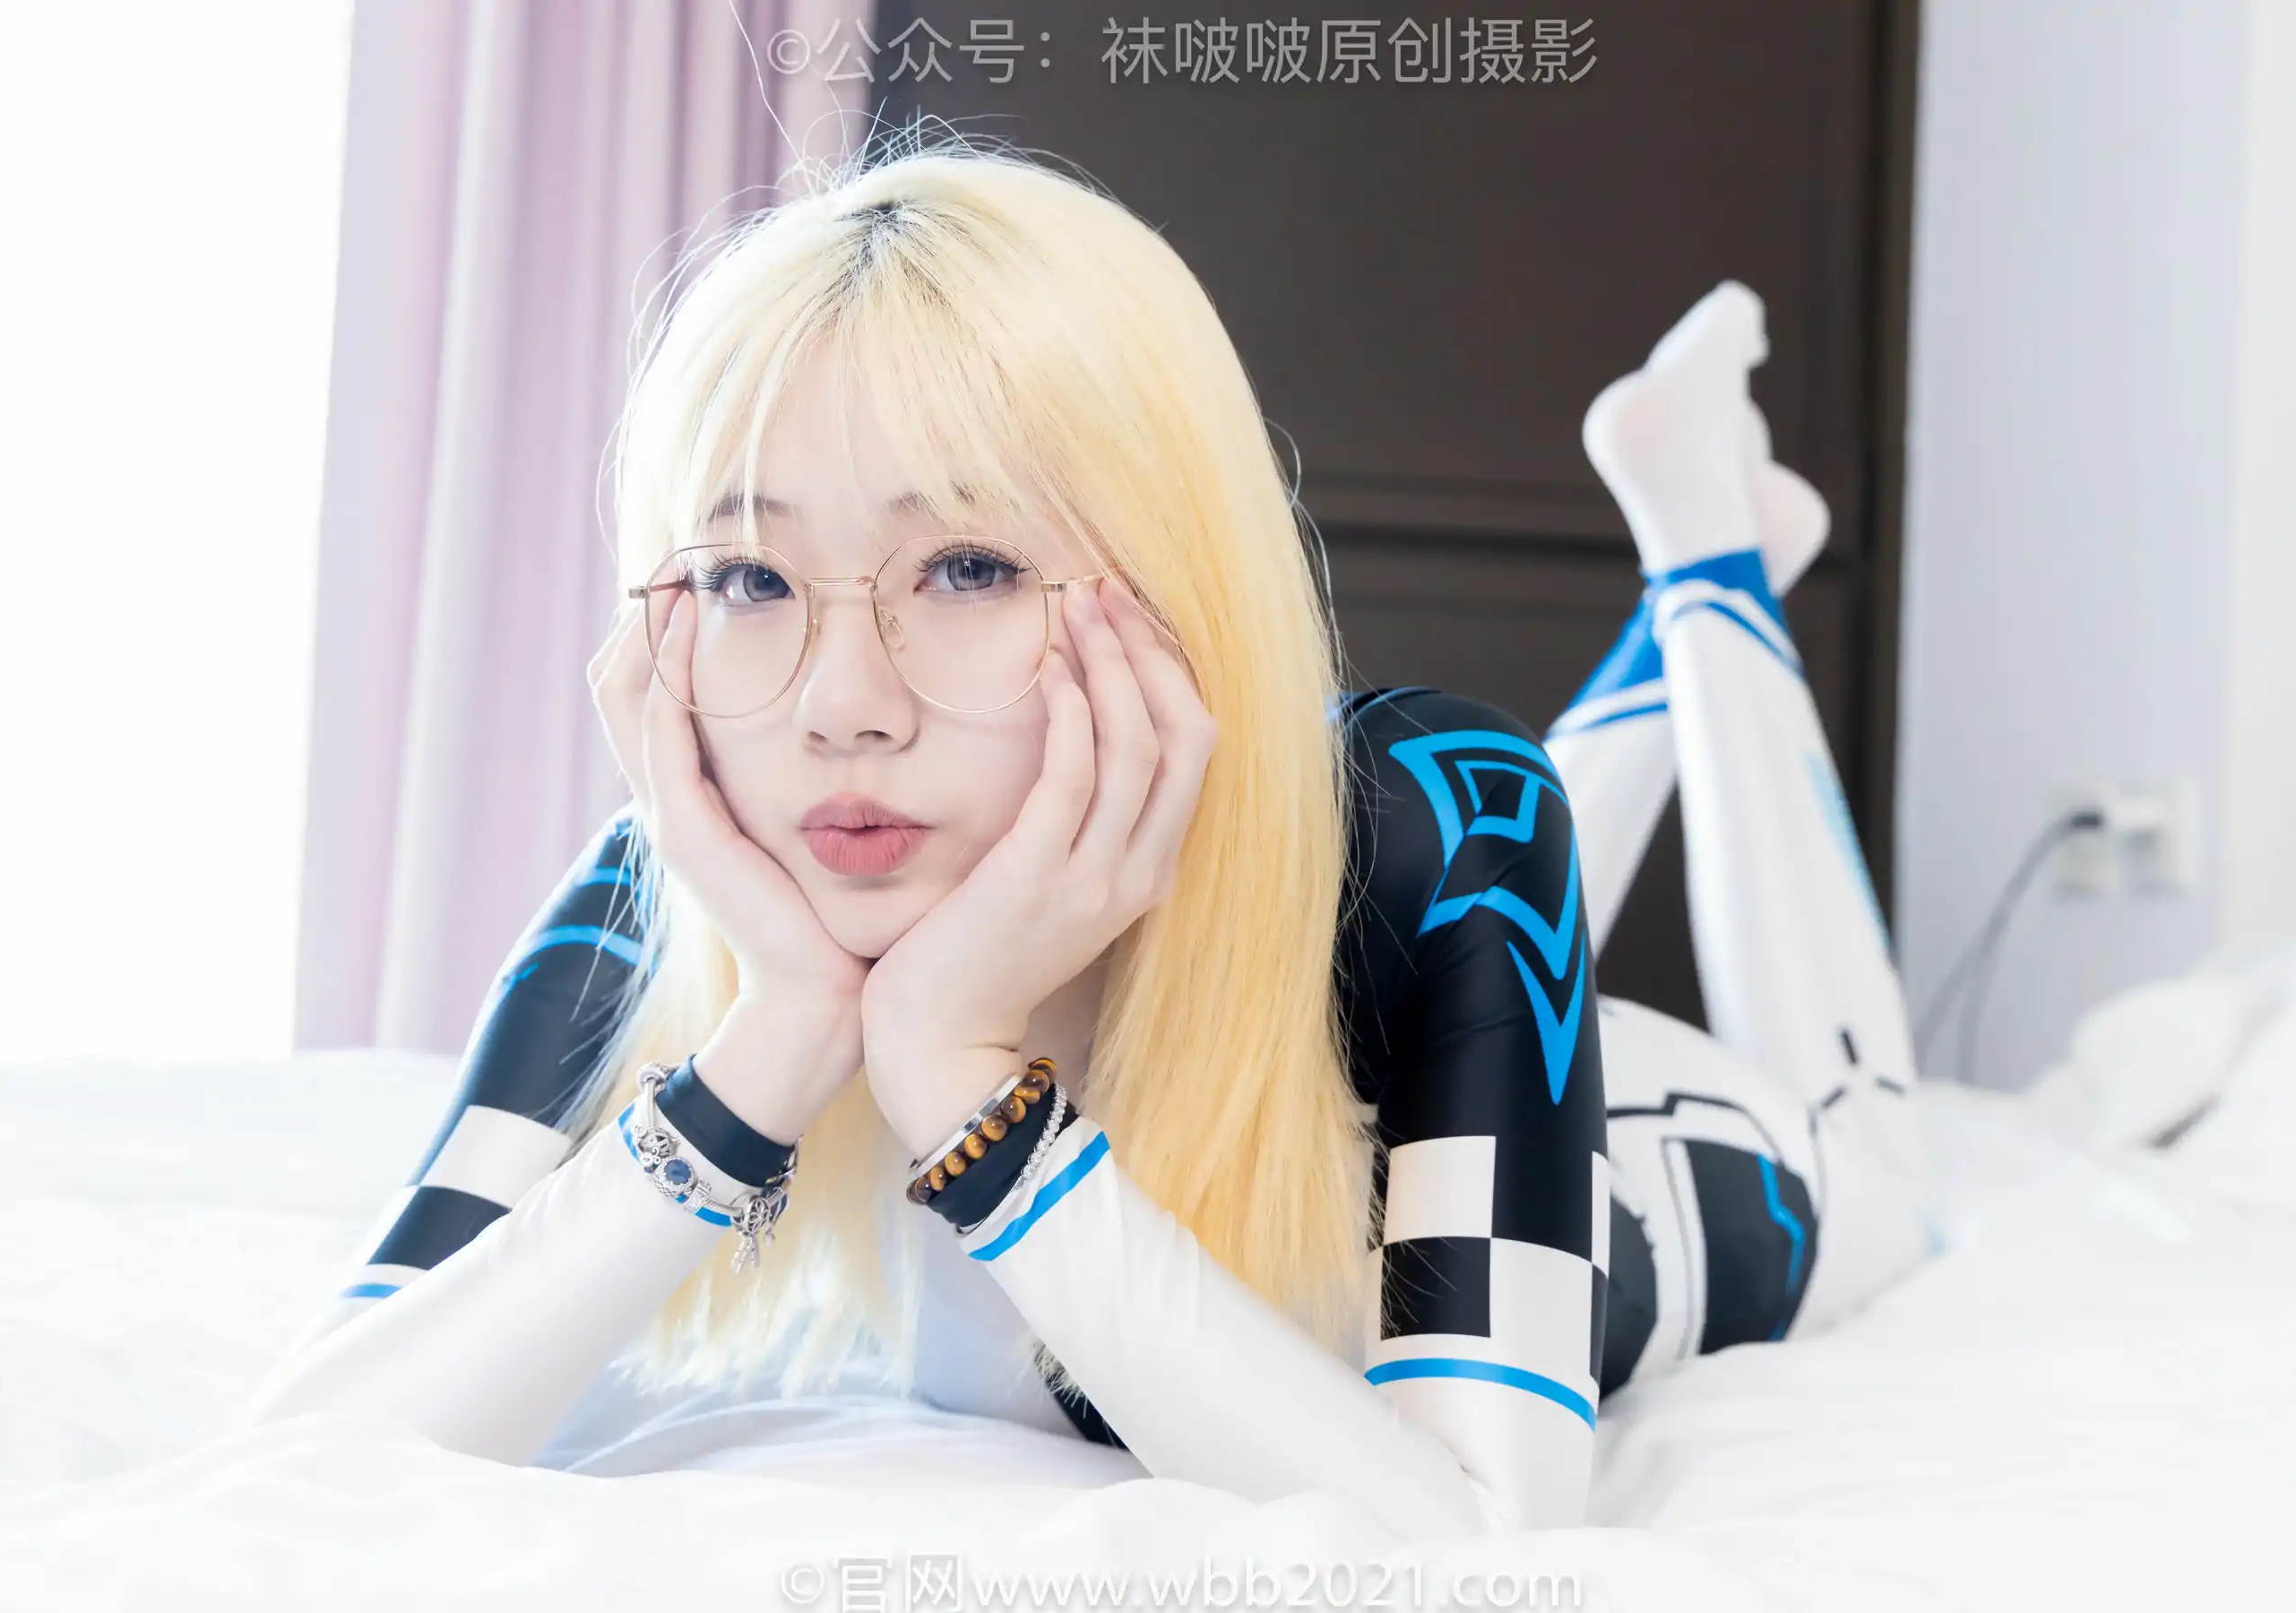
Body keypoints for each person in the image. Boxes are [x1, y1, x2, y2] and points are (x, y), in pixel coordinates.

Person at [243, 146, 1937, 1539]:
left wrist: (970, 1105)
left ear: (1175, 585)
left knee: (1885, 1174)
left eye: (967, 568)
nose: (840, 707)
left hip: (1651, 1167)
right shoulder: (675, 902)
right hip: (1392, 964)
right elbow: (310, 1449)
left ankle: (1709, 564)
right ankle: (1690, 571)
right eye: (751, 576)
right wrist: (780, 1038)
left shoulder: (1445, 814)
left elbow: (1473, 1547)